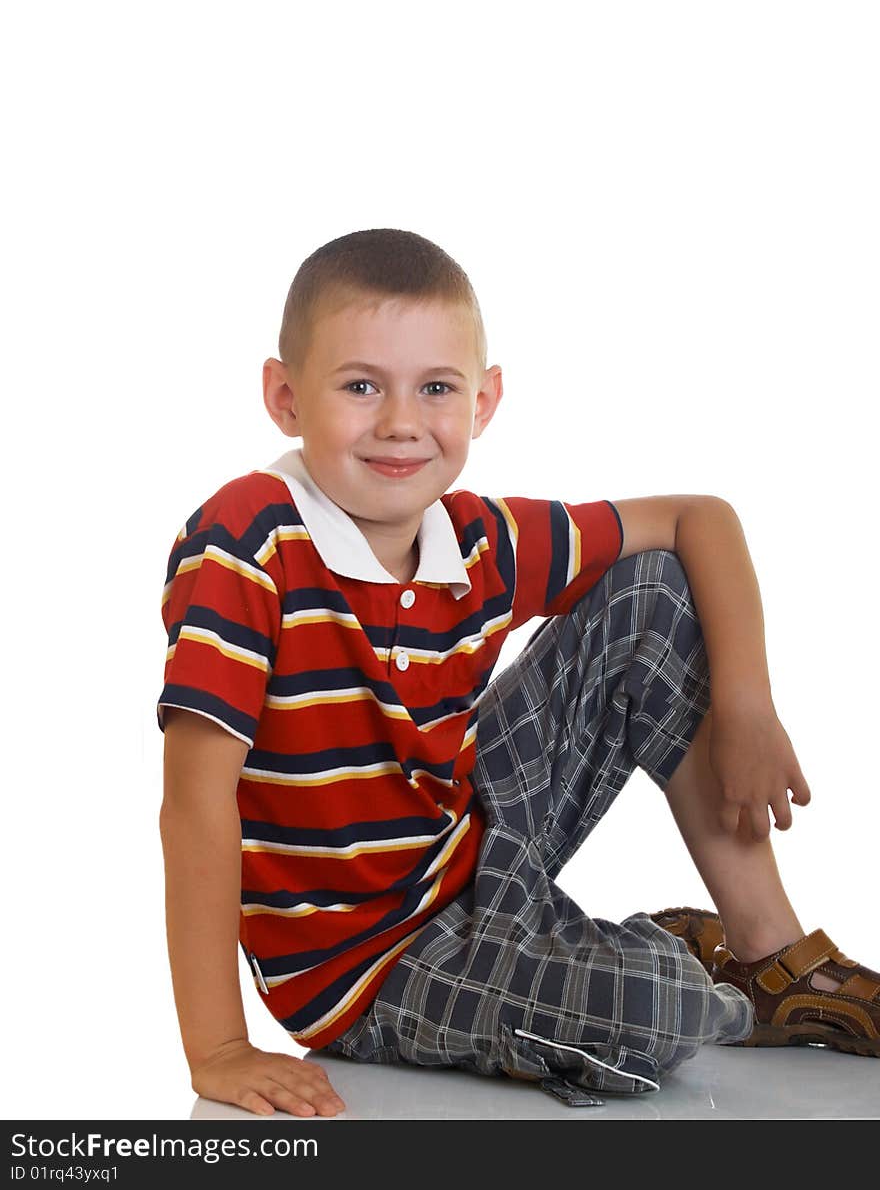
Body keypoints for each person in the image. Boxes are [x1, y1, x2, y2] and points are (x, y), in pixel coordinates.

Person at [157, 227, 879, 1119]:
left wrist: (745, 703)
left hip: (465, 854)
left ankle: (769, 956)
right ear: (285, 396)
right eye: (359, 386)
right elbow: (195, 802)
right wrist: (218, 1047)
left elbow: (701, 518)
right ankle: (662, 965)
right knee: (665, 1013)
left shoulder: (475, 536)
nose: (399, 422)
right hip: (371, 969)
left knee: (646, 587)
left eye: (435, 388)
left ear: (484, 401)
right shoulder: (247, 541)